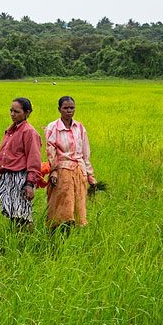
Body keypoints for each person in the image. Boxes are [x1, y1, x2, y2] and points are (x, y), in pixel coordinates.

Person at [0, 98, 42, 230]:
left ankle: (30, 244)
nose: (12, 114)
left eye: (16, 111)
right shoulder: (10, 131)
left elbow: (34, 160)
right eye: (11, 111)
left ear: (27, 113)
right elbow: (4, 159)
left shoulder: (29, 132)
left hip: (20, 178)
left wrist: (30, 184)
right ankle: (17, 242)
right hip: (7, 178)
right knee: (14, 215)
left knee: (23, 216)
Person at [45, 96, 96, 228]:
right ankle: (56, 236)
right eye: (65, 108)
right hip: (62, 172)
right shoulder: (53, 127)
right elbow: (51, 152)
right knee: (61, 208)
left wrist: (91, 176)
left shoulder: (79, 127)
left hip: (79, 172)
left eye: (71, 108)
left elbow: (85, 154)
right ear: (59, 109)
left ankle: (74, 237)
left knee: (78, 207)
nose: (69, 111)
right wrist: (54, 171)